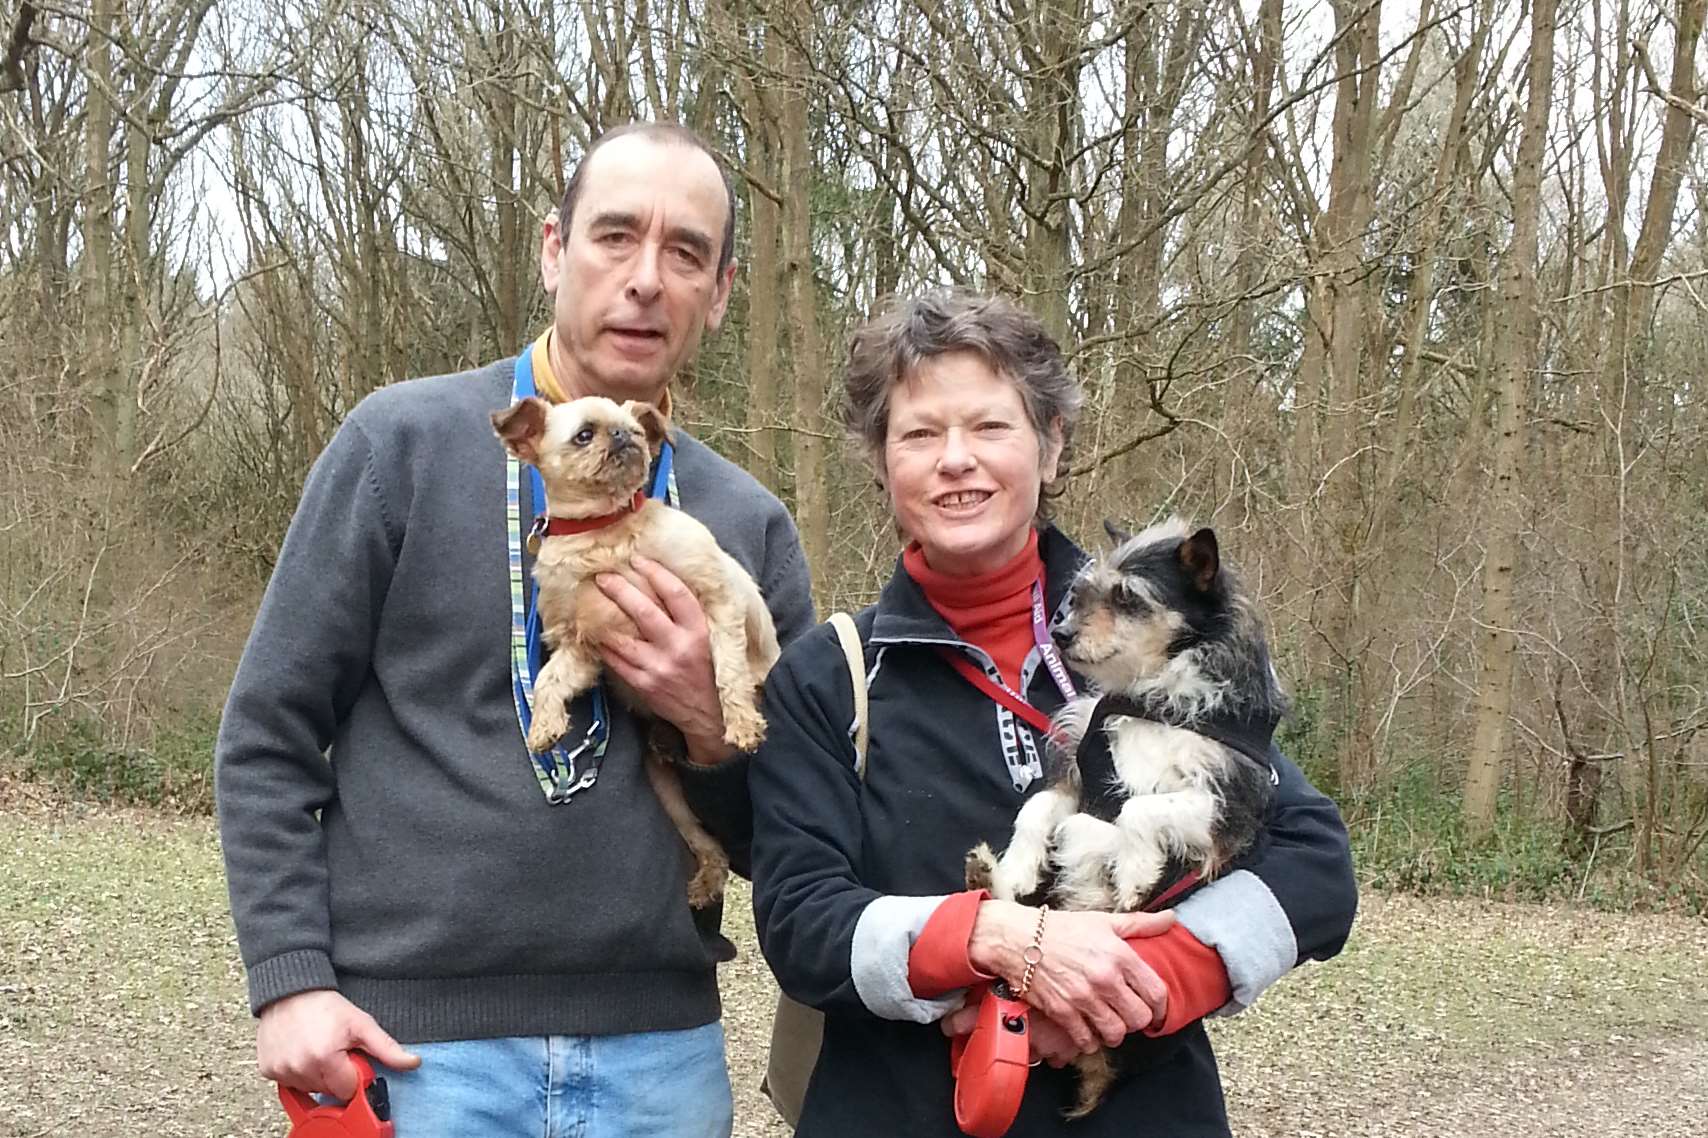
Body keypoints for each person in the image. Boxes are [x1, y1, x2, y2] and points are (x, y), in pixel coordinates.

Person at [215, 122, 813, 1136]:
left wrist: (708, 730)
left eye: (685, 254)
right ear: (552, 248)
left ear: (719, 290)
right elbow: (268, 731)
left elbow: (796, 832)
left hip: (658, 1060)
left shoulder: (743, 519)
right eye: (614, 237)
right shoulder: (396, 445)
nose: (644, 280)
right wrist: (288, 980)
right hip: (417, 1049)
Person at [748, 290, 1358, 1136]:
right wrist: (990, 938)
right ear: (882, 461)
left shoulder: (1162, 651)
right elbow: (799, 921)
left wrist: (1143, 980)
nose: (956, 459)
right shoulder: (829, 676)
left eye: (991, 427)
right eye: (920, 433)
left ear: (1052, 444)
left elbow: (1316, 867)